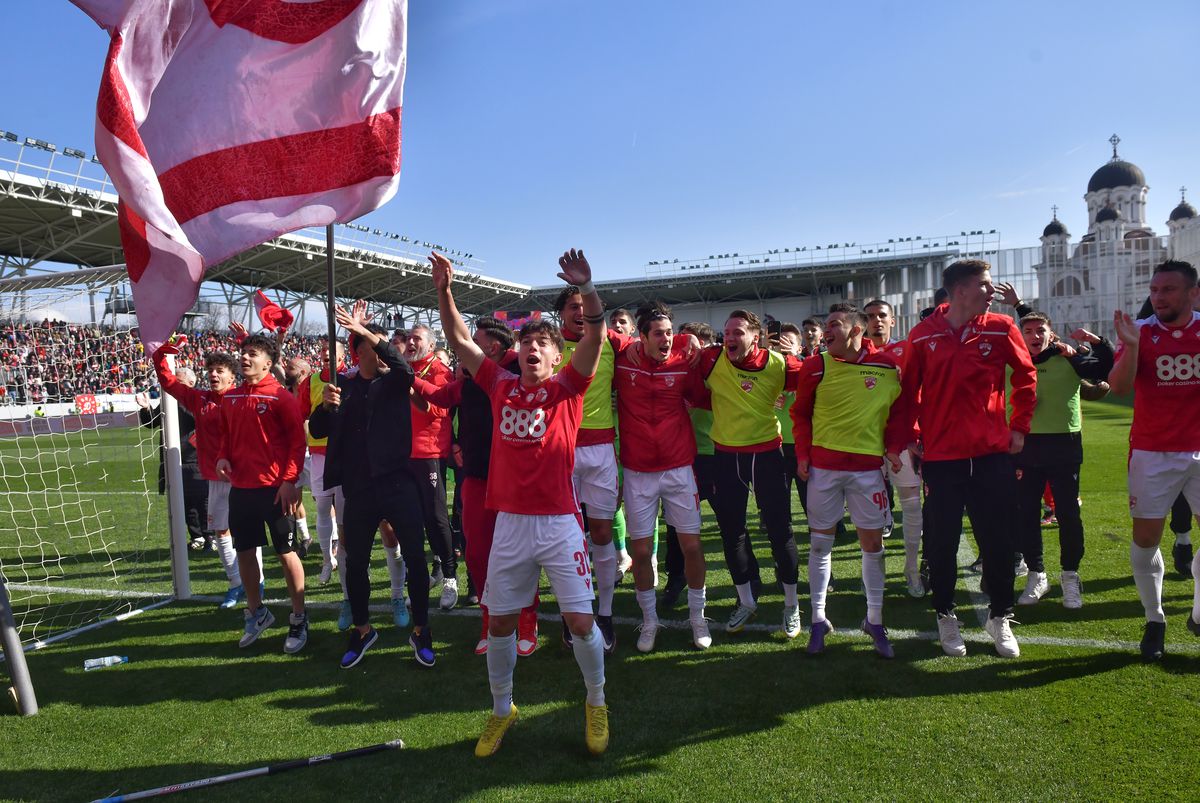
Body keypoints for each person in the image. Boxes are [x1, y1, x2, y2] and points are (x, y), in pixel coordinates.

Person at [433, 248, 609, 757]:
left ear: (557, 356)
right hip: (510, 524)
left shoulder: (569, 390)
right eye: (526, 342)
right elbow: (461, 340)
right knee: (502, 622)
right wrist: (444, 291)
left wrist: (589, 288)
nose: (532, 348)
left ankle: (595, 701)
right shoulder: (498, 383)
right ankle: (501, 708)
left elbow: (595, 334)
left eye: (542, 344)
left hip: (557, 524)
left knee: (580, 622)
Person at [887, 259, 1036, 658]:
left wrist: (1019, 426)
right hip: (944, 459)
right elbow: (907, 396)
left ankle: (1000, 616)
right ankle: (945, 614)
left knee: (999, 541)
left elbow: (1025, 376)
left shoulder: (1001, 327)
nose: (992, 291)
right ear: (960, 290)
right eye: (985, 284)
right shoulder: (921, 336)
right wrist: (908, 438)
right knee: (941, 543)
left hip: (992, 456)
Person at [308, 303, 435, 669]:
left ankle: (421, 629)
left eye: (381, 343)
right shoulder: (342, 387)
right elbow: (317, 431)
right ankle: (363, 630)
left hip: (398, 483)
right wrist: (324, 408)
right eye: (368, 343)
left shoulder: (394, 381)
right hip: (359, 488)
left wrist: (371, 333)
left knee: (415, 557)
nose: (379, 348)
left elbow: (404, 367)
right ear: (357, 351)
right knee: (355, 563)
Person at [411, 318, 541, 657]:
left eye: (474, 340)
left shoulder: (520, 371)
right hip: (476, 479)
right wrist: (403, 375)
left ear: (492, 348)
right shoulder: (468, 380)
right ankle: (489, 618)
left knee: (522, 555)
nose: (464, 347)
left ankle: (527, 619)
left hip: (517, 482)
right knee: (478, 553)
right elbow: (439, 397)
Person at [793, 304, 908, 658]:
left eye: (834, 325)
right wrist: (802, 454)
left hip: (867, 472)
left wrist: (893, 448)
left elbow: (901, 413)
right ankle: (817, 618)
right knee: (819, 546)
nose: (826, 331)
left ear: (857, 330)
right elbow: (799, 413)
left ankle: (874, 620)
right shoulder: (816, 365)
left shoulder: (888, 366)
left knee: (873, 546)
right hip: (824, 471)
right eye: (825, 325)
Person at [1109, 259, 1200, 659]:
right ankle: (1155, 617)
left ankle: (1198, 614)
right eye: (1155, 290)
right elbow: (1119, 387)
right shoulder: (1140, 333)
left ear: (1192, 293)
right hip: (1152, 453)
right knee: (1146, 540)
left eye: (1169, 290)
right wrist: (1130, 347)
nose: (1159, 297)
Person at [696, 309, 804, 637]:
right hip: (726, 457)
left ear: (754, 337)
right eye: (726, 331)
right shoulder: (712, 360)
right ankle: (746, 601)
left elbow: (815, 379)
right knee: (732, 531)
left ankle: (791, 605)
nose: (729, 337)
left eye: (738, 332)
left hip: (767, 456)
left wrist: (798, 355)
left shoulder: (779, 364)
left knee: (779, 531)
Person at [613, 301, 711, 651]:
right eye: (660, 334)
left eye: (671, 332)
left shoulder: (684, 362)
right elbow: (599, 332)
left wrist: (689, 342)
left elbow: (704, 399)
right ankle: (650, 620)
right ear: (642, 337)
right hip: (638, 472)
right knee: (640, 553)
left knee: (692, 545)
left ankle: (698, 617)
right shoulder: (622, 360)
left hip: (679, 469)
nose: (667, 339)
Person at [1011, 313, 1113, 609]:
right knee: (1026, 514)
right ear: (1021, 335)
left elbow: (1105, 367)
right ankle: (1037, 574)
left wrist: (1096, 342)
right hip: (1023, 445)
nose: (1034, 335)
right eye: (1027, 330)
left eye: (1039, 330)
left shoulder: (1068, 358)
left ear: (1050, 333)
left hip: (1063, 444)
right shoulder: (1013, 361)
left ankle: (1070, 576)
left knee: (1068, 514)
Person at [215, 334, 308, 653]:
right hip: (241, 490)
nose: (244, 357)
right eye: (242, 352)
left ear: (268, 363)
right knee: (244, 552)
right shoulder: (230, 397)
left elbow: (298, 444)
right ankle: (257, 614)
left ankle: (298, 617)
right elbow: (226, 437)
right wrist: (223, 457)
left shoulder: (281, 397)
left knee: (286, 554)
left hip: (275, 490)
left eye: (252, 353)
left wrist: (289, 480)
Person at [150, 340, 253, 609]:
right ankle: (235, 584)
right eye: (211, 371)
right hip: (214, 478)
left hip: (244, 477)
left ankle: (257, 581)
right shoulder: (201, 400)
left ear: (232, 376)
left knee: (247, 533)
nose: (214, 375)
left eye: (220, 370)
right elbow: (169, 383)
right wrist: (161, 354)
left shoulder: (243, 397)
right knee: (221, 532)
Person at [864, 298, 925, 597]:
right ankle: (875, 576)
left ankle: (911, 569)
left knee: (912, 504)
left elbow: (915, 398)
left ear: (893, 320)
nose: (876, 321)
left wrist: (911, 437)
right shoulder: (856, 355)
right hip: (863, 443)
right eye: (870, 316)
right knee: (870, 514)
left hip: (901, 441)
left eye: (881, 316)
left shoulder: (907, 351)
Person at [661, 322, 718, 608]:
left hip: (716, 453)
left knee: (730, 525)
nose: (694, 353)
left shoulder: (717, 372)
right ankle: (675, 579)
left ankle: (745, 585)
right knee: (674, 527)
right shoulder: (674, 370)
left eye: (701, 347)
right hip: (682, 457)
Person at [406, 323, 460, 610]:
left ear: (430, 344)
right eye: (410, 338)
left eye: (418, 338)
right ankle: (431, 571)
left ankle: (451, 576)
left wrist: (408, 383)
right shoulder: (405, 369)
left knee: (437, 517)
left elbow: (435, 410)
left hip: (429, 453)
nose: (411, 342)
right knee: (415, 519)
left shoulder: (440, 372)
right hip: (403, 453)